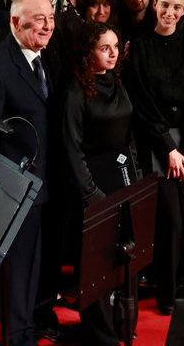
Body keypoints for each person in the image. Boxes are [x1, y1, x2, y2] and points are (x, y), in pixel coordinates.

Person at [0, 0, 63, 346]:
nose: (48, 25)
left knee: (33, 269)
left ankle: (25, 332)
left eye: (51, 18)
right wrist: (1, 193)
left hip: (40, 186)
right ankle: (16, 339)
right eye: (39, 20)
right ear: (15, 22)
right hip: (12, 190)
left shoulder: (42, 58)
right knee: (16, 273)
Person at [124, 0, 184, 314]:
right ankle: (168, 292)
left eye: (177, 7)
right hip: (158, 145)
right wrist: (169, 149)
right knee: (170, 222)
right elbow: (141, 102)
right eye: (164, 5)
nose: (170, 12)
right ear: (155, 5)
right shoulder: (141, 48)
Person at [63, 22, 140, 344]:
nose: (112, 54)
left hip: (123, 183)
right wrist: (92, 194)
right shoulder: (75, 92)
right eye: (103, 48)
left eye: (115, 47)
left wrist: (134, 178)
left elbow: (129, 135)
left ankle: (124, 324)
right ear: (87, 52)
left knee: (127, 258)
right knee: (96, 265)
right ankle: (100, 333)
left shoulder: (117, 82)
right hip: (91, 191)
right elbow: (72, 148)